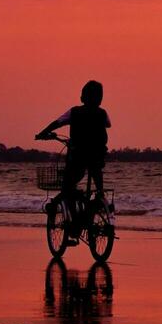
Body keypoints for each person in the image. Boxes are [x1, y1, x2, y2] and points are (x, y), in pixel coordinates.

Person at [36, 80, 111, 221]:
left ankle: (74, 221)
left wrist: (43, 133)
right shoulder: (102, 113)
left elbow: (57, 122)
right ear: (100, 99)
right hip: (97, 155)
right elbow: (108, 124)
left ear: (83, 97)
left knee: (67, 187)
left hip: (78, 156)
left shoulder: (75, 112)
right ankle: (100, 193)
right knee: (95, 170)